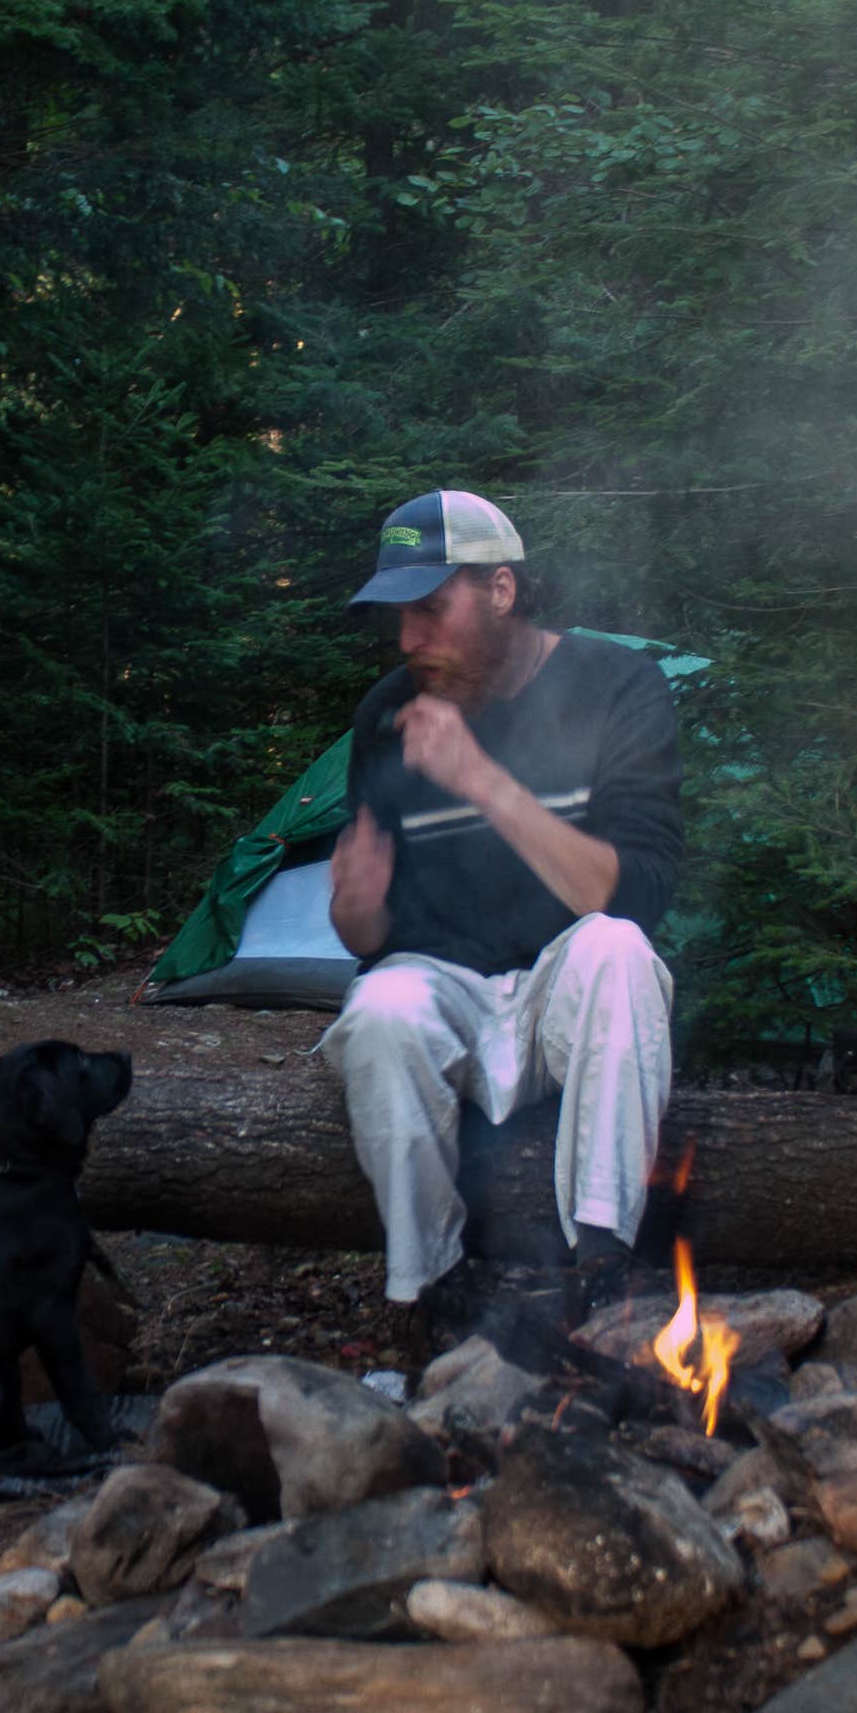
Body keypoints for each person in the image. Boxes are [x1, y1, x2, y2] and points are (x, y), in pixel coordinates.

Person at [320, 488, 684, 1339]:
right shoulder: (386, 715)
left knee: (619, 951)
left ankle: (601, 1261)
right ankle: (431, 1287)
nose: (410, 641)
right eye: (398, 619)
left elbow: (629, 895)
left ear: (502, 591)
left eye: (429, 611)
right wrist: (355, 909)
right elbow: (368, 945)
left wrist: (481, 780)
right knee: (375, 1010)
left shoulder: (614, 687)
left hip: (569, 992)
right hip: (444, 989)